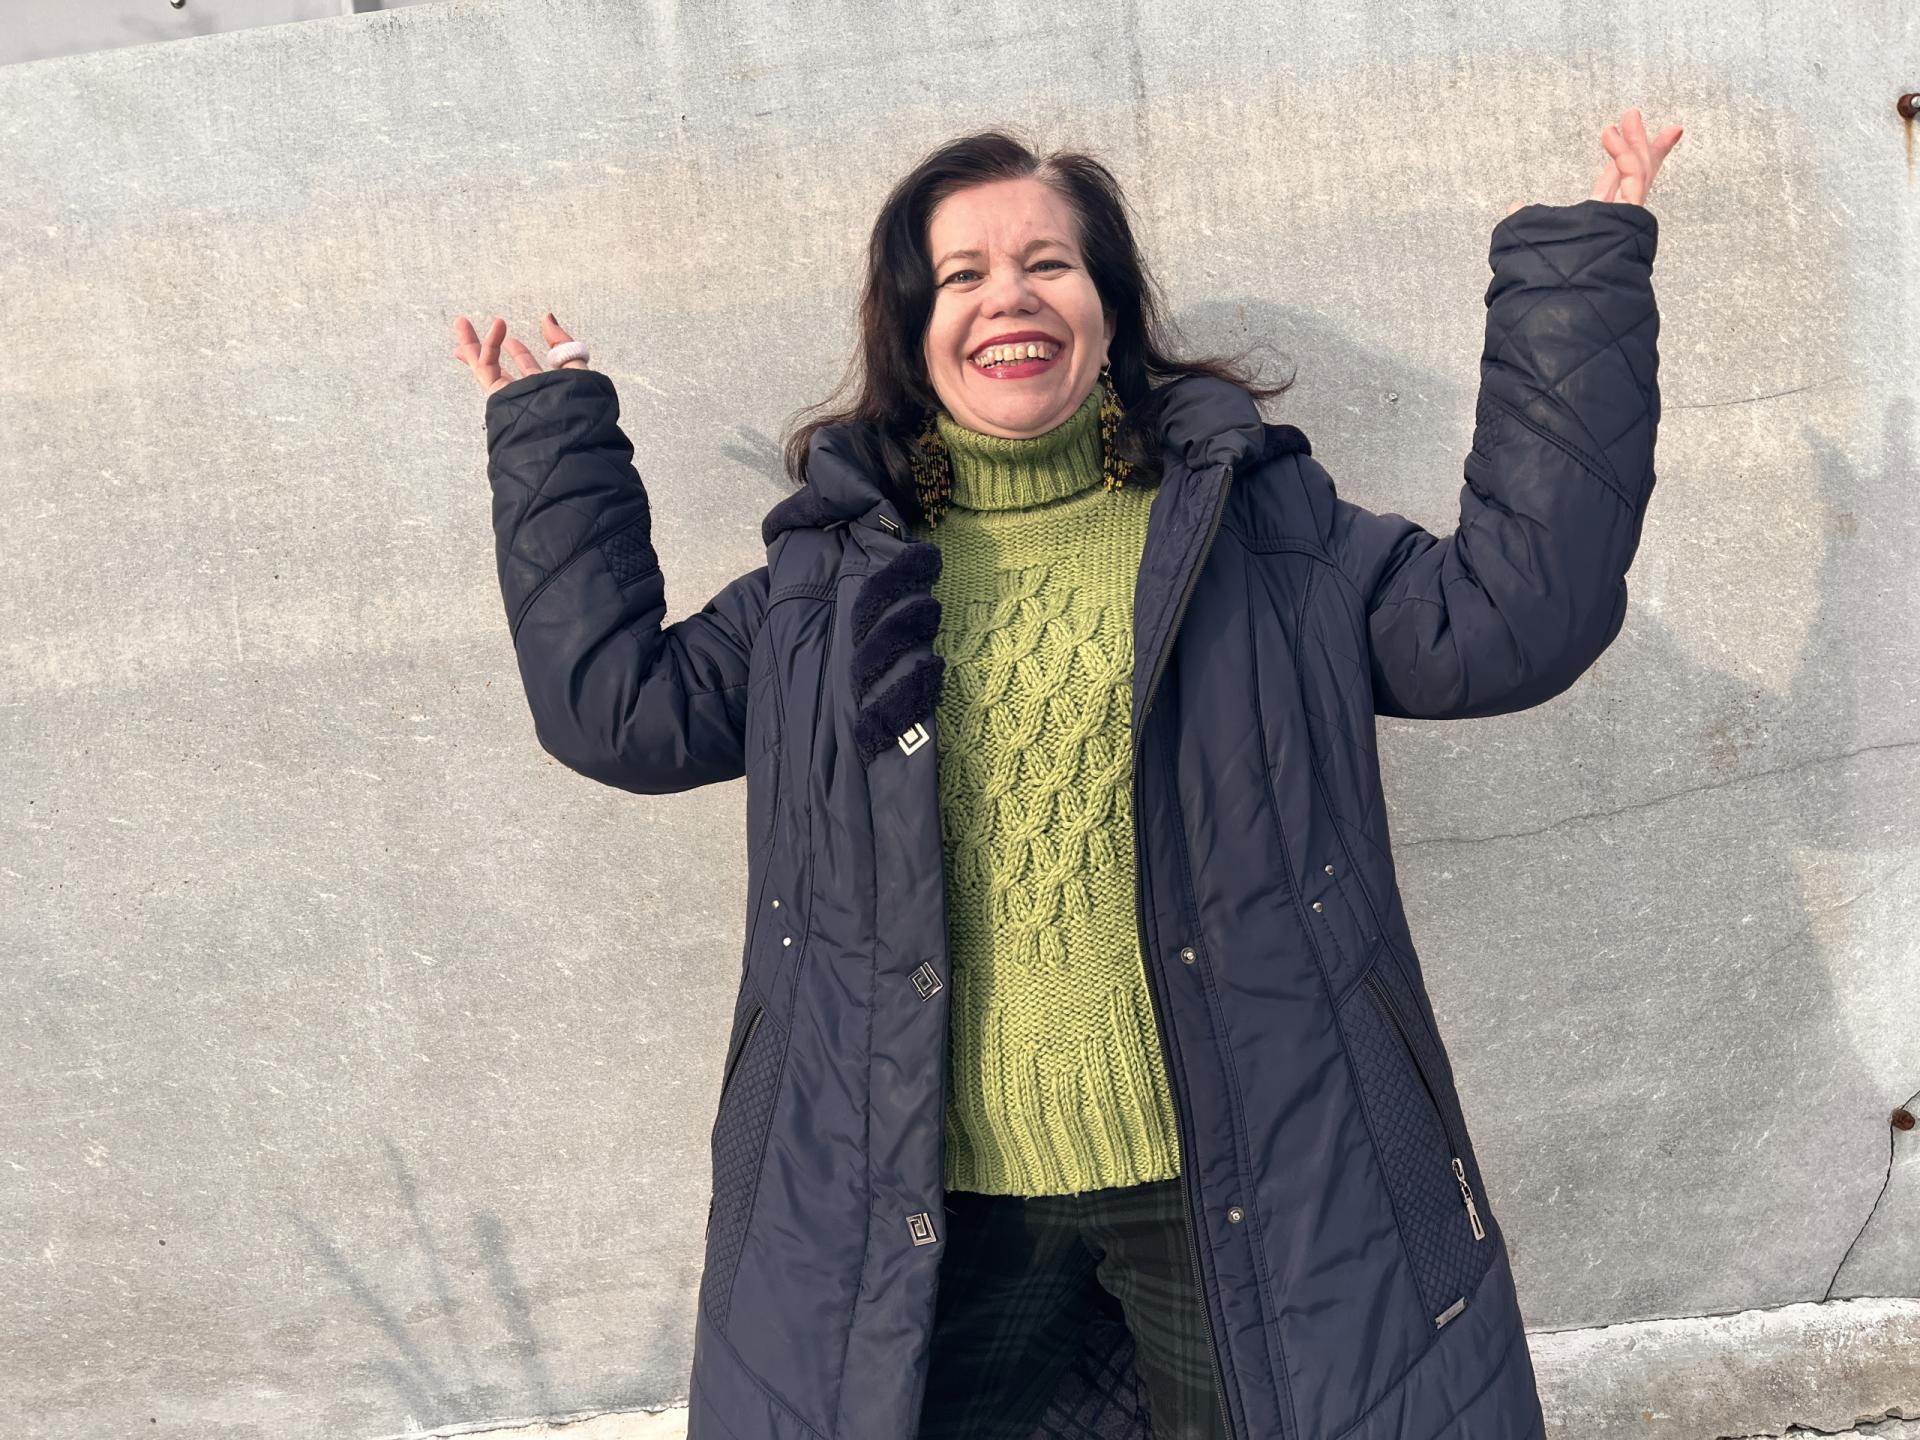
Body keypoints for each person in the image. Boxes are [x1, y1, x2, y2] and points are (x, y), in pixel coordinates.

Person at [453, 111, 1680, 1440]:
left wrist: (1577, 274)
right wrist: (553, 442)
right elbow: (620, 713)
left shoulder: (1262, 535)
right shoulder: (830, 582)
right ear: (914, 327)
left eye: (1048, 263)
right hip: (924, 1196)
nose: (1009, 297)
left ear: (1108, 307)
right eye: (963, 274)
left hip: (1239, 1176)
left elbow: (1511, 618)